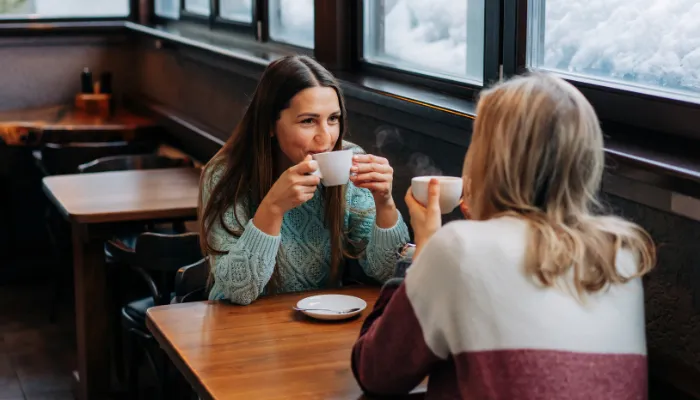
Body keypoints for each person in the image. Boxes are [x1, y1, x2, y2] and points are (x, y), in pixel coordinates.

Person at [351, 73, 656, 399]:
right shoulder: (621, 254)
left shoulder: (459, 249)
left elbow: (375, 372)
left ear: (490, 159)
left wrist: (421, 251)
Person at [199, 55, 410, 305]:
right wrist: (273, 207)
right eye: (308, 121)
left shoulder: (351, 161)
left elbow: (388, 273)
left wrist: (385, 202)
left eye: (333, 119)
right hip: (237, 325)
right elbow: (239, 291)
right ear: (269, 124)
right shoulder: (225, 175)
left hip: (320, 321)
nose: (326, 138)